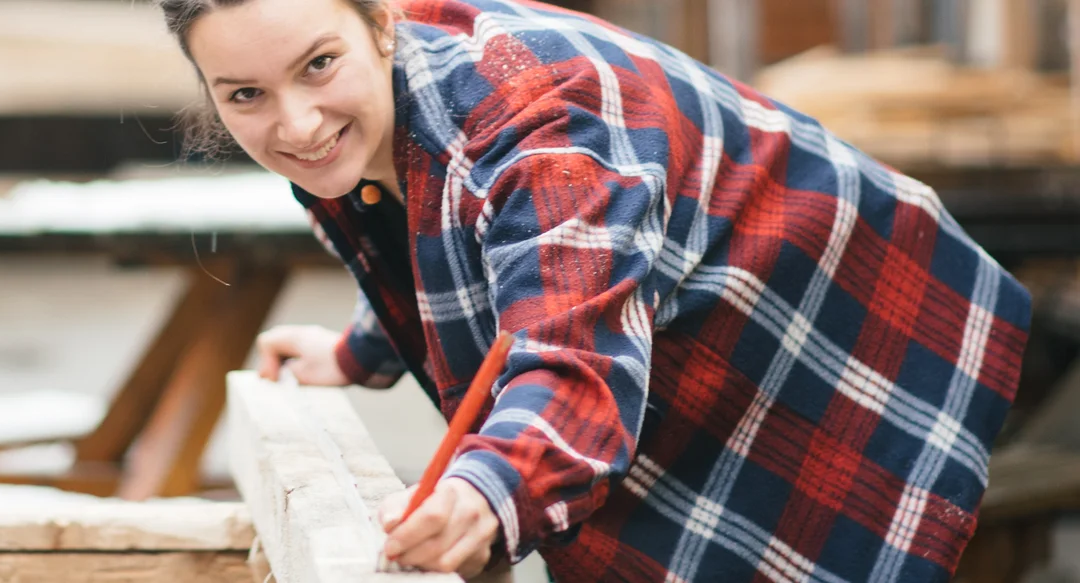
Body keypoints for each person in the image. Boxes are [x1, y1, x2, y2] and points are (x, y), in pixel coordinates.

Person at [155, 0, 1032, 580]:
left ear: (383, 19)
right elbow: (457, 234)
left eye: (317, 66)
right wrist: (360, 347)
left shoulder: (540, 120)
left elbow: (571, 354)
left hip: (855, 328)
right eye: (245, 95)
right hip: (697, 325)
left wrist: (489, 489)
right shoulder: (360, 112)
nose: (296, 124)